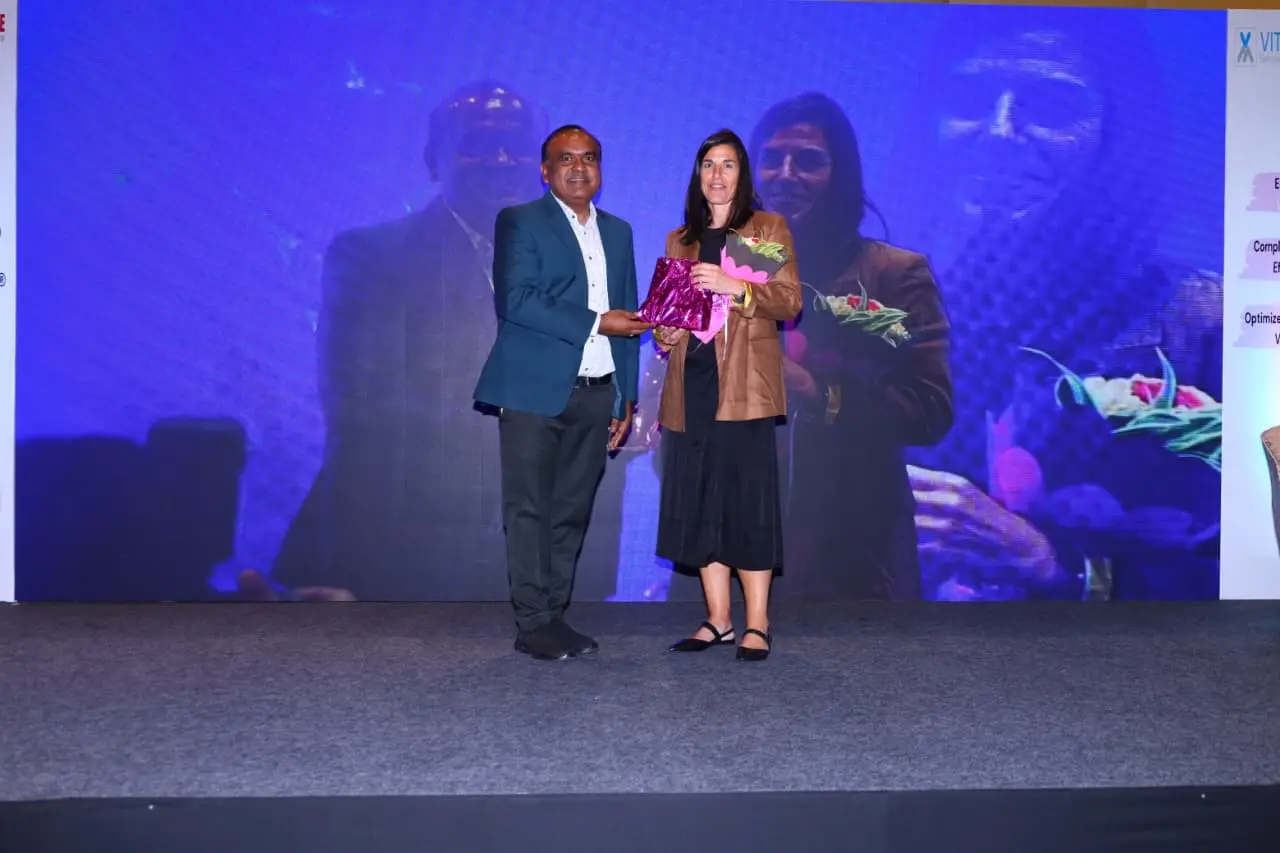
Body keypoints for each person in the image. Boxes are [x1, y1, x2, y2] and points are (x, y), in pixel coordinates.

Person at [262, 83, 630, 604]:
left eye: (517, 147)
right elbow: (363, 408)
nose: (499, 160)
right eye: (477, 144)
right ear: (434, 159)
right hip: (409, 544)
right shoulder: (374, 259)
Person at [750, 93, 955, 601]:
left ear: (842, 174)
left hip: (851, 555)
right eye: (771, 158)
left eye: (808, 160)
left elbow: (931, 410)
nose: (785, 175)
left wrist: (818, 392)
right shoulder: (717, 269)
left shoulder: (895, 273)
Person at [473, 124, 652, 660]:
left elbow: (629, 315)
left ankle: (552, 615)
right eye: (566, 158)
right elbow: (517, 299)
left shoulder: (618, 231)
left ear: (600, 169)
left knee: (572, 510)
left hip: (598, 391)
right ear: (545, 170)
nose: (579, 167)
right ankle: (534, 622)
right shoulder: (521, 220)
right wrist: (598, 322)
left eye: (589, 157)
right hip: (532, 390)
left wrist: (625, 396)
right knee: (529, 509)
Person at [652, 129, 801, 662]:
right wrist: (666, 331)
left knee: (746, 506)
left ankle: (757, 623)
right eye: (709, 164)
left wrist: (736, 288)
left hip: (744, 389)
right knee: (700, 505)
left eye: (728, 164)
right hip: (690, 388)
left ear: (743, 174)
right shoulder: (680, 238)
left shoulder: (764, 229)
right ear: (698, 174)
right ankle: (717, 620)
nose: (717, 174)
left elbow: (789, 301)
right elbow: (670, 322)